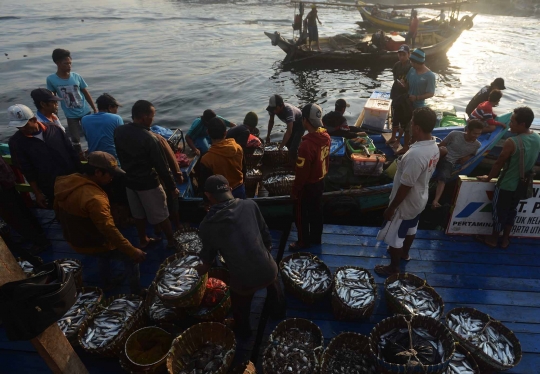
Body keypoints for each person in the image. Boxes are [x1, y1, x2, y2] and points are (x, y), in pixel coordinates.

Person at [196, 175, 285, 338]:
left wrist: (190, 273)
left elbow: (206, 265)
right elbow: (266, 237)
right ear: (230, 190)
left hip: (244, 280)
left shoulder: (207, 225)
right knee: (272, 277)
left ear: (208, 196)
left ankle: (243, 331)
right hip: (269, 269)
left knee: (239, 305)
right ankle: (278, 312)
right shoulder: (250, 204)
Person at [54, 151, 146, 293]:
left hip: (73, 239)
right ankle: (136, 291)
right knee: (131, 258)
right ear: (98, 172)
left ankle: (107, 281)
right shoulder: (95, 199)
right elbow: (109, 230)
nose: (113, 177)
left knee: (104, 254)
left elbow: (57, 210)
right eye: (110, 174)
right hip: (91, 242)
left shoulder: (66, 182)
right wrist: (133, 251)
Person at [375, 107, 440, 276]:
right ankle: (405, 254)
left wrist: (391, 208)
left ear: (417, 128)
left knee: (395, 237)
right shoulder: (434, 146)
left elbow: (406, 186)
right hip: (420, 199)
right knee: (411, 228)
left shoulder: (415, 155)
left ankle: (393, 268)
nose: (410, 125)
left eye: (412, 122)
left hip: (406, 202)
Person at [114, 100, 178, 250]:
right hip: (148, 183)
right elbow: (162, 167)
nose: (153, 120)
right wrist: (172, 187)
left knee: (138, 214)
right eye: (152, 116)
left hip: (129, 181)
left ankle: (143, 239)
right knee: (161, 214)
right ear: (143, 117)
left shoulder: (119, 131)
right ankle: (171, 241)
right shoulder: (150, 138)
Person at [476, 107, 540, 249]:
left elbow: (499, 163)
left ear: (522, 124)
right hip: (522, 185)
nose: (510, 124)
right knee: (512, 211)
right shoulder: (537, 138)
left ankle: (493, 239)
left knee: (499, 212)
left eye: (512, 122)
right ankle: (505, 240)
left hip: (506, 184)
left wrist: (488, 177)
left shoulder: (512, 142)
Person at [7, 104, 81, 208]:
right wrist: (37, 193)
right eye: (19, 126)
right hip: (50, 186)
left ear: (33, 119)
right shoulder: (16, 143)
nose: (22, 129)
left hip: (72, 178)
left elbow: (71, 152)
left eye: (24, 125)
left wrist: (81, 173)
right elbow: (26, 170)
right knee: (62, 212)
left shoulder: (55, 129)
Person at [290, 103, 331, 250]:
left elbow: (301, 174)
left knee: (300, 214)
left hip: (308, 186)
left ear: (305, 120)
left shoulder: (305, 146)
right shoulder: (325, 136)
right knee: (317, 212)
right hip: (320, 182)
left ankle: (302, 242)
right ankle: (316, 238)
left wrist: (295, 191)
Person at [46, 49, 97, 155]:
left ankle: (93, 153)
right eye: (66, 63)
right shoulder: (51, 79)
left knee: (90, 134)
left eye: (70, 63)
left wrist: (94, 108)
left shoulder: (76, 76)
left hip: (85, 112)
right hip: (70, 115)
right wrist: (54, 114)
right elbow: (53, 97)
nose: (69, 66)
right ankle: (79, 157)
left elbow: (85, 92)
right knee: (75, 139)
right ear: (57, 63)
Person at [0, 156, 51, 254]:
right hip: (6, 182)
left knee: (14, 216)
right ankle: (38, 234)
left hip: (2, 187)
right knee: (22, 210)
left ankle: (40, 242)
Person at [432, 120, 484, 208]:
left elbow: (473, 154)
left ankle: (436, 200)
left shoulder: (477, 145)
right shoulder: (454, 134)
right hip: (440, 155)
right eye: (474, 133)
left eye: (479, 134)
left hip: (449, 162)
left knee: (443, 177)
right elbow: (441, 145)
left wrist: (468, 156)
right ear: (468, 130)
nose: (476, 136)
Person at [396, 48, 436, 155]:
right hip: (407, 102)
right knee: (404, 124)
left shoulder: (430, 76)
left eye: (413, 62)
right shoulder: (412, 70)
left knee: (411, 128)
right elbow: (407, 82)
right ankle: (400, 142)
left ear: (419, 62)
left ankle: (407, 147)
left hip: (418, 105)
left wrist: (417, 97)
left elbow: (431, 93)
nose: (411, 63)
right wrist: (404, 84)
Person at [201, 118, 245, 199]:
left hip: (221, 196)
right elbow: (244, 169)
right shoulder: (238, 148)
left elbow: (206, 185)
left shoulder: (206, 159)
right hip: (240, 189)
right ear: (226, 132)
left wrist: (206, 202)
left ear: (208, 133)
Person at [152, 132, 184, 230]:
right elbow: (171, 160)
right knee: (172, 199)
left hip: (149, 179)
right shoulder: (158, 139)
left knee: (153, 205)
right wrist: (178, 175)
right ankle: (178, 225)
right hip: (162, 178)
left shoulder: (131, 136)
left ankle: (157, 229)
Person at [81, 93, 124, 161]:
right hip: (112, 158)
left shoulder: (84, 119)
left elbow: (88, 138)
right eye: (116, 107)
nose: (117, 111)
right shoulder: (116, 118)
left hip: (94, 158)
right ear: (110, 107)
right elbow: (122, 141)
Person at [266, 94, 305, 162]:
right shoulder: (273, 109)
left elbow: (289, 131)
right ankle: (290, 160)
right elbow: (271, 121)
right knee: (287, 144)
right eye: (273, 109)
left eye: (275, 109)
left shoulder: (288, 111)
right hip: (291, 124)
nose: (274, 111)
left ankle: (296, 164)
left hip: (300, 124)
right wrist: (268, 135)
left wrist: (280, 147)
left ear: (281, 106)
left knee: (293, 148)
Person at [388, 44, 412, 145]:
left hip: (405, 97)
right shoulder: (397, 65)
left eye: (404, 54)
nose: (401, 57)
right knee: (395, 117)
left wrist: (405, 85)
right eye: (400, 54)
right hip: (396, 94)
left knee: (404, 119)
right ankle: (393, 137)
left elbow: (411, 84)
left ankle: (399, 140)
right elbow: (395, 77)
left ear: (408, 54)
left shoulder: (410, 67)